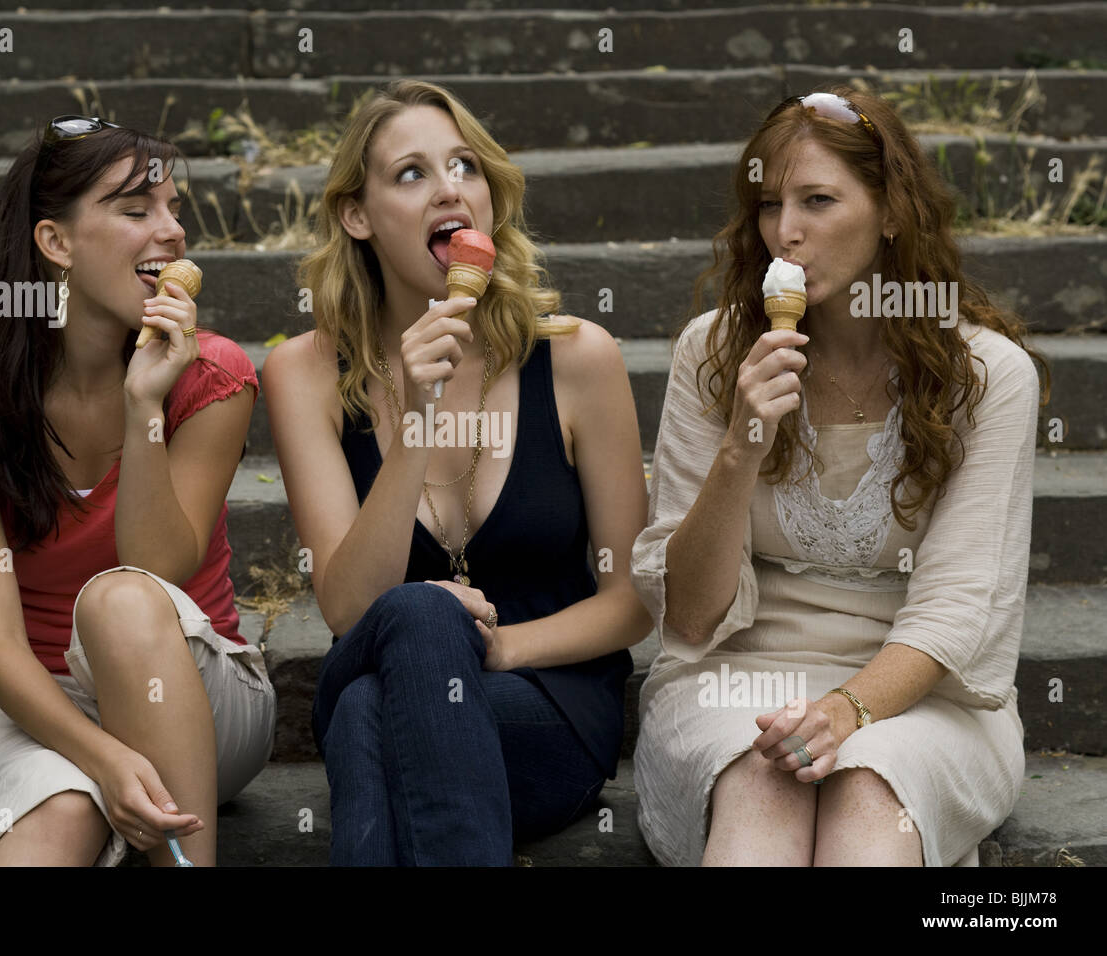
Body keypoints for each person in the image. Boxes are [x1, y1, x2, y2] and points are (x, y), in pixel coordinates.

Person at [631, 87, 1050, 867]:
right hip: (734, 679)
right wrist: (741, 447)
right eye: (768, 205)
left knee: (867, 804)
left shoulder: (989, 377)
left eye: (818, 200)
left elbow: (961, 605)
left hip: (921, 693)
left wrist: (847, 709)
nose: (784, 234)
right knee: (763, 787)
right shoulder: (713, 353)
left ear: (891, 210)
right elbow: (687, 616)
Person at [263, 79, 653, 865]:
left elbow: (634, 602)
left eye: (465, 167)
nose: (450, 188)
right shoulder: (302, 374)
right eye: (412, 174)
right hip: (387, 667)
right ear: (357, 215)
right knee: (416, 616)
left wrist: (496, 649)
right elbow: (347, 604)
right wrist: (415, 417)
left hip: (547, 703)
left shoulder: (578, 357)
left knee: (371, 709)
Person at [0, 117, 275, 866]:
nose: (170, 232)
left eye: (173, 209)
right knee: (61, 816)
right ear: (56, 243)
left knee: (120, 597)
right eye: (136, 211)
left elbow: (156, 566)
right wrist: (103, 760)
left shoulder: (212, 377)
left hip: (200, 687)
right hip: (39, 708)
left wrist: (145, 408)